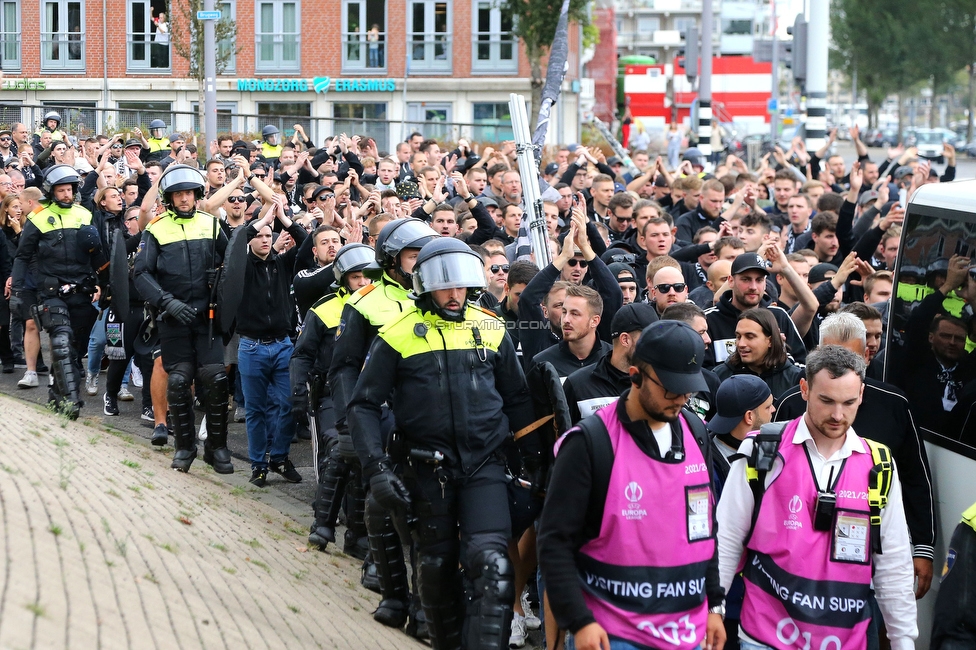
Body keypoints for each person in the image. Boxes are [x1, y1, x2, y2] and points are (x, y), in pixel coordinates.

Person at [348, 237, 535, 650]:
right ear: (424, 285)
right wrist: (376, 468)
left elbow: (518, 399)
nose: (455, 295)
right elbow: (363, 404)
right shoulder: (396, 334)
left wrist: (536, 462)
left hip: (485, 466)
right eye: (445, 286)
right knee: (434, 569)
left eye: (463, 286)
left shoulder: (491, 327)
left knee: (493, 565)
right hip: (424, 469)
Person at [539, 320, 726, 650]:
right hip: (614, 635)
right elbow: (555, 542)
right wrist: (580, 621)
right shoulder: (589, 443)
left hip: (688, 632)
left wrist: (714, 603)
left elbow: (704, 527)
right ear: (636, 374)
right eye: (670, 387)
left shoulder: (696, 432)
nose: (681, 399)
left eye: (688, 389)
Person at [716, 345, 918, 649]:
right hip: (765, 636)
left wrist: (903, 641)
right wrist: (712, 609)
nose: (838, 415)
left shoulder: (879, 464)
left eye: (849, 402)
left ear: (862, 393)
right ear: (804, 389)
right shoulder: (762, 451)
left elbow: (893, 565)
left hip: (844, 640)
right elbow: (727, 538)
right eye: (826, 400)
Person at [775, 312, 936, 600]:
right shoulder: (790, 404)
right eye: (828, 354)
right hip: (796, 556)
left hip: (870, 559)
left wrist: (923, 547)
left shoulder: (894, 404)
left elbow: (915, 479)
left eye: (848, 358)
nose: (837, 366)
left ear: (866, 355)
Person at [328, 218, 438, 630]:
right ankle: (386, 577)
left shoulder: (441, 297)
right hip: (379, 413)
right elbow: (343, 369)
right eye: (413, 256)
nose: (421, 263)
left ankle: (422, 601)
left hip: (424, 416)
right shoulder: (365, 302)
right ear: (392, 261)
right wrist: (351, 419)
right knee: (384, 498)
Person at [133, 164, 232, 474]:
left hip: (208, 318)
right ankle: (185, 448)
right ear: (170, 198)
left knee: (216, 379)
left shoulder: (212, 225)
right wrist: (167, 302)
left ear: (197, 194)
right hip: (172, 318)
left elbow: (231, 267)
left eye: (189, 193)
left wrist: (219, 285)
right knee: (178, 381)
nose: (185, 198)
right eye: (179, 194)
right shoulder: (155, 228)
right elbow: (141, 273)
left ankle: (216, 449)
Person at [294, 244, 375, 548]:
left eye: (368, 277)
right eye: (356, 277)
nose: (363, 282)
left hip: (373, 395)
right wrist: (297, 394)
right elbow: (301, 355)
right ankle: (323, 522)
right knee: (339, 449)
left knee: (365, 462)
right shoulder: (323, 308)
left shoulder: (386, 305)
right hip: (330, 394)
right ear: (343, 279)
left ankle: (357, 535)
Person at [11, 165, 103, 419]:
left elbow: (99, 254)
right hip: (50, 290)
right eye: (61, 190)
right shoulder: (37, 218)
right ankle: (72, 402)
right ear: (52, 192)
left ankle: (56, 390)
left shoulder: (85, 214)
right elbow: (22, 256)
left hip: (82, 290)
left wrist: (105, 285)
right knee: (60, 341)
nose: (66, 194)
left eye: (70, 190)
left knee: (74, 348)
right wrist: (18, 289)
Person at [236, 197, 308, 486]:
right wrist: (262, 221)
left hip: (282, 345)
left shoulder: (283, 263)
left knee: (290, 403)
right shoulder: (242, 265)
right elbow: (237, 240)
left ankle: (278, 457)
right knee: (255, 410)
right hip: (251, 347)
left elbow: (306, 241)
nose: (265, 239)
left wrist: (284, 219)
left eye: (270, 235)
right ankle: (258, 465)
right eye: (261, 236)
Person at [562, 302, 658, 423]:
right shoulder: (578, 385)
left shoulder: (658, 382)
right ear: (625, 340)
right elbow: (564, 437)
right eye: (649, 339)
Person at [713, 308, 802, 401]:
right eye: (738, 336)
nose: (741, 344)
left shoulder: (795, 379)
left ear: (770, 341)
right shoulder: (720, 376)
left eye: (750, 337)